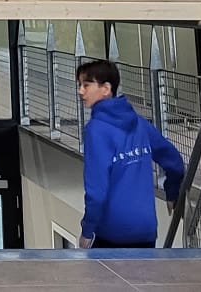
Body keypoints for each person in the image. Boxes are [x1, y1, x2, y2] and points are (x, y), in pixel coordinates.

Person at [75, 58, 185, 250]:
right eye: (79, 85)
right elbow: (174, 161)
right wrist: (172, 191)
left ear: (106, 88)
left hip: (112, 232)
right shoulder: (139, 123)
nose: (80, 91)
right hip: (146, 229)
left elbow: (97, 191)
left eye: (86, 85)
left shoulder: (96, 130)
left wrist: (87, 230)